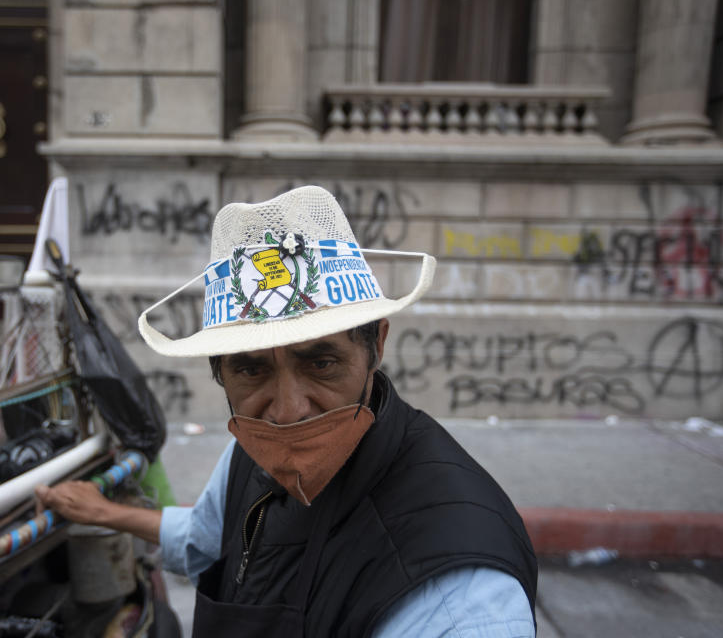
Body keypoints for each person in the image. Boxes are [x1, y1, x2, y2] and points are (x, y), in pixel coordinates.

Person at [36, 186, 538, 637]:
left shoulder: (458, 600)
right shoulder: (251, 452)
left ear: (375, 345)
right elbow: (209, 535)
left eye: (321, 362)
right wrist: (103, 513)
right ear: (219, 371)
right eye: (251, 371)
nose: (288, 411)